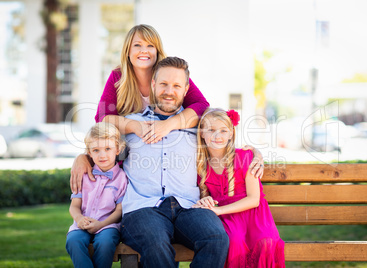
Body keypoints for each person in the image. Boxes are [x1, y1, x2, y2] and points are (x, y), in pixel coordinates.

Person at [70, 23, 265, 195]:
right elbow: (103, 119)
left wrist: (169, 125)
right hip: (133, 165)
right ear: (128, 51)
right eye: (137, 45)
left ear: (157, 51)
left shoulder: (169, 74)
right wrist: (135, 126)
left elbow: (201, 107)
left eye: (150, 46)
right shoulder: (118, 78)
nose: (143, 50)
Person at [121, 57, 229, 268]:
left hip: (188, 205)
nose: (169, 91)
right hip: (143, 207)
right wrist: (82, 158)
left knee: (216, 238)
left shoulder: (199, 126)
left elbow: (228, 140)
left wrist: (256, 152)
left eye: (177, 86)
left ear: (186, 89)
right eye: (163, 84)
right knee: (156, 244)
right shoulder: (131, 124)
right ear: (153, 84)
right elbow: (98, 146)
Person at [193, 108, 286, 268]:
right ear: (202, 133)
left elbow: (254, 199)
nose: (217, 135)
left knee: (265, 241)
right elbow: (203, 196)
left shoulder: (244, 157)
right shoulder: (201, 166)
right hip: (227, 218)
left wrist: (219, 211)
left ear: (231, 133)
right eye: (211, 130)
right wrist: (206, 200)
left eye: (223, 130)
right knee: (232, 240)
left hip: (253, 215)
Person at [66, 122, 128, 268]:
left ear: (118, 149)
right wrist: (79, 218)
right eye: (96, 150)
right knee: (73, 240)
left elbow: (119, 210)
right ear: (89, 152)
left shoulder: (122, 178)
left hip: (108, 225)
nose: (102, 155)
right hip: (82, 224)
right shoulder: (83, 175)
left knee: (105, 242)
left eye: (108, 149)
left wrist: (101, 224)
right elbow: (74, 206)